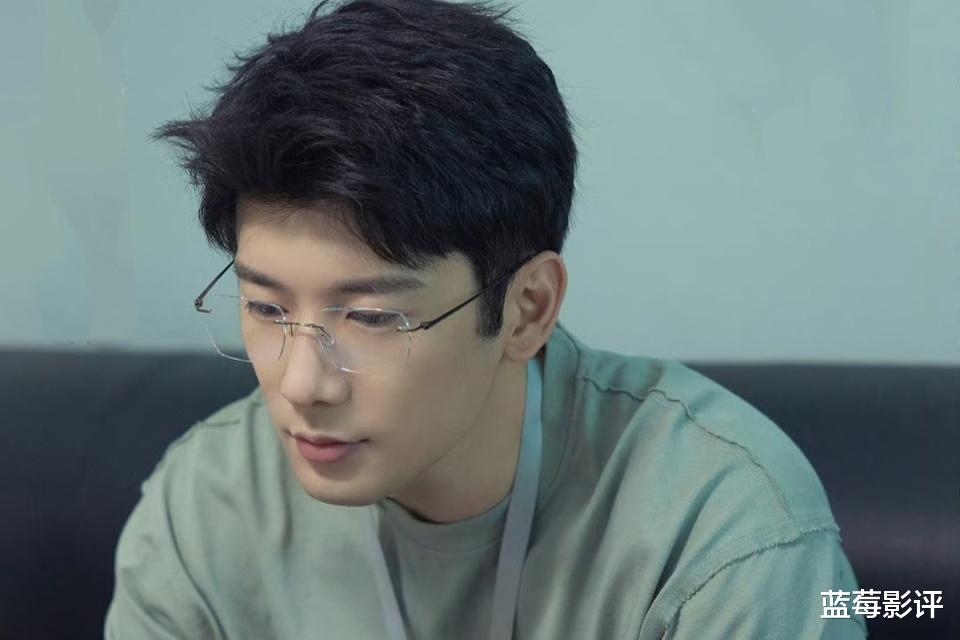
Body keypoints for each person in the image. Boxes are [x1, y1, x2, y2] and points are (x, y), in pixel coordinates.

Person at [105, 1, 867, 638]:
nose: (302, 384)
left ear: (527, 309)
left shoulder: (721, 530)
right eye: (267, 307)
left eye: (371, 317)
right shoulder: (204, 511)